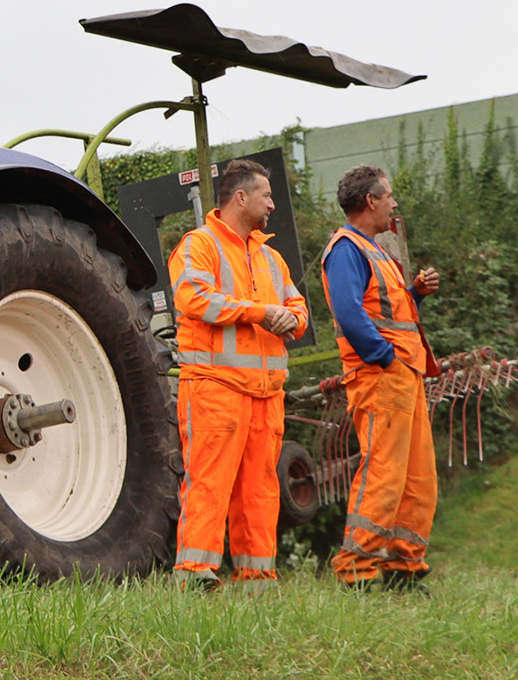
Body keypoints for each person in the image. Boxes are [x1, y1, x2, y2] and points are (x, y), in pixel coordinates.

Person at [167, 159, 308, 591]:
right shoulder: (199, 244)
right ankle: (195, 574)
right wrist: (261, 313)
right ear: (241, 197)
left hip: (266, 395)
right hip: (215, 387)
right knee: (209, 482)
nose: (272, 205)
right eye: (267, 196)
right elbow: (193, 298)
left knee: (261, 490)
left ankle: (257, 578)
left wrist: (291, 319)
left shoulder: (271, 258)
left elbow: (298, 309)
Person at [320, 165, 443, 593]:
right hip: (382, 375)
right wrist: (384, 357)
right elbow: (349, 313)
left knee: (417, 476)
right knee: (385, 474)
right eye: (388, 195)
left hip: (403, 374)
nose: (394, 202)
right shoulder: (346, 249)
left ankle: (403, 566)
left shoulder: (374, 250)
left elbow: (390, 314)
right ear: (370, 200)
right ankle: (356, 569)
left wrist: (417, 295)